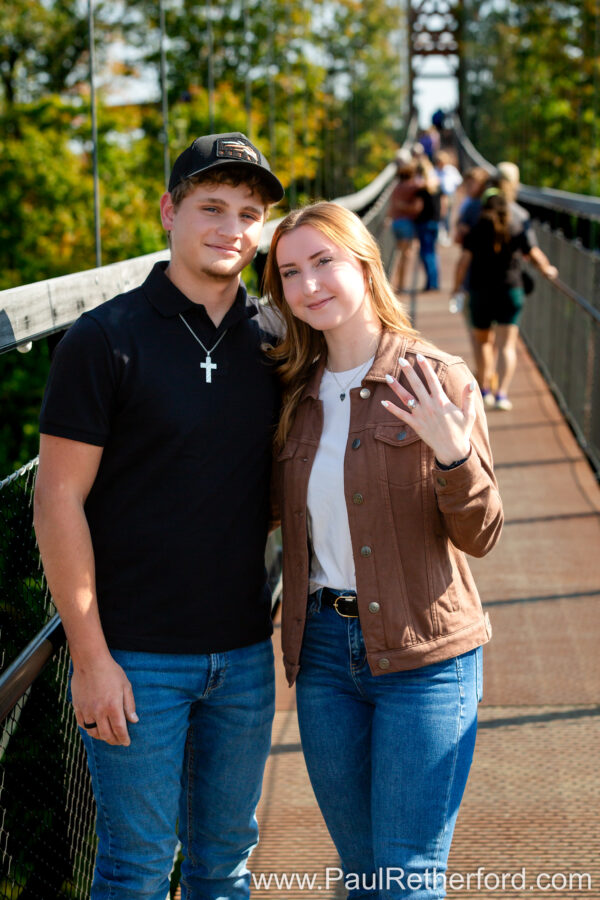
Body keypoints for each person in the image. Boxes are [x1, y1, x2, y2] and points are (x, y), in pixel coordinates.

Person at [33, 132, 285, 899]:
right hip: (136, 657)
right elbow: (55, 499)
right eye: (211, 207)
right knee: (137, 871)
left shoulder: (279, 339)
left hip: (244, 653)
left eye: (248, 214)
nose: (230, 229)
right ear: (169, 211)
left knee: (225, 867)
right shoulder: (104, 339)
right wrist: (92, 657)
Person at [263, 201, 503, 899]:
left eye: (323, 262)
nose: (309, 285)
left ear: (365, 264)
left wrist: (454, 453)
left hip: (425, 658)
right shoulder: (290, 394)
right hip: (325, 664)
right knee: (363, 871)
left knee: (405, 877)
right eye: (289, 273)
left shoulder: (437, 378)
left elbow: (482, 535)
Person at [452, 189, 557, 410]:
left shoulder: (477, 230)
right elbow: (534, 253)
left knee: (483, 343)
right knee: (507, 345)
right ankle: (502, 394)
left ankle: (485, 388)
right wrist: (547, 269)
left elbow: (463, 262)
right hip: (511, 291)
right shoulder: (517, 228)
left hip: (481, 292)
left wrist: (456, 287)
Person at [388, 157, 422, 295]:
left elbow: (393, 205)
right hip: (407, 223)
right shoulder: (413, 187)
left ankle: (395, 284)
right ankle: (400, 286)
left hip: (396, 223)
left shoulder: (396, 188)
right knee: (405, 255)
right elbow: (416, 208)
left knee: (398, 254)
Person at [414, 157, 442, 291]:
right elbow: (442, 205)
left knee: (426, 253)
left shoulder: (421, 189)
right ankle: (434, 282)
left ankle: (430, 284)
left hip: (424, 223)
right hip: (435, 222)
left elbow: (417, 208)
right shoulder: (436, 186)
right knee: (432, 251)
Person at [434, 151, 462, 245]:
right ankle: (440, 233)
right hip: (438, 195)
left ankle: (447, 233)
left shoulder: (451, 170)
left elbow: (458, 181)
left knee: (447, 215)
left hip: (449, 194)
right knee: (439, 214)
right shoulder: (435, 170)